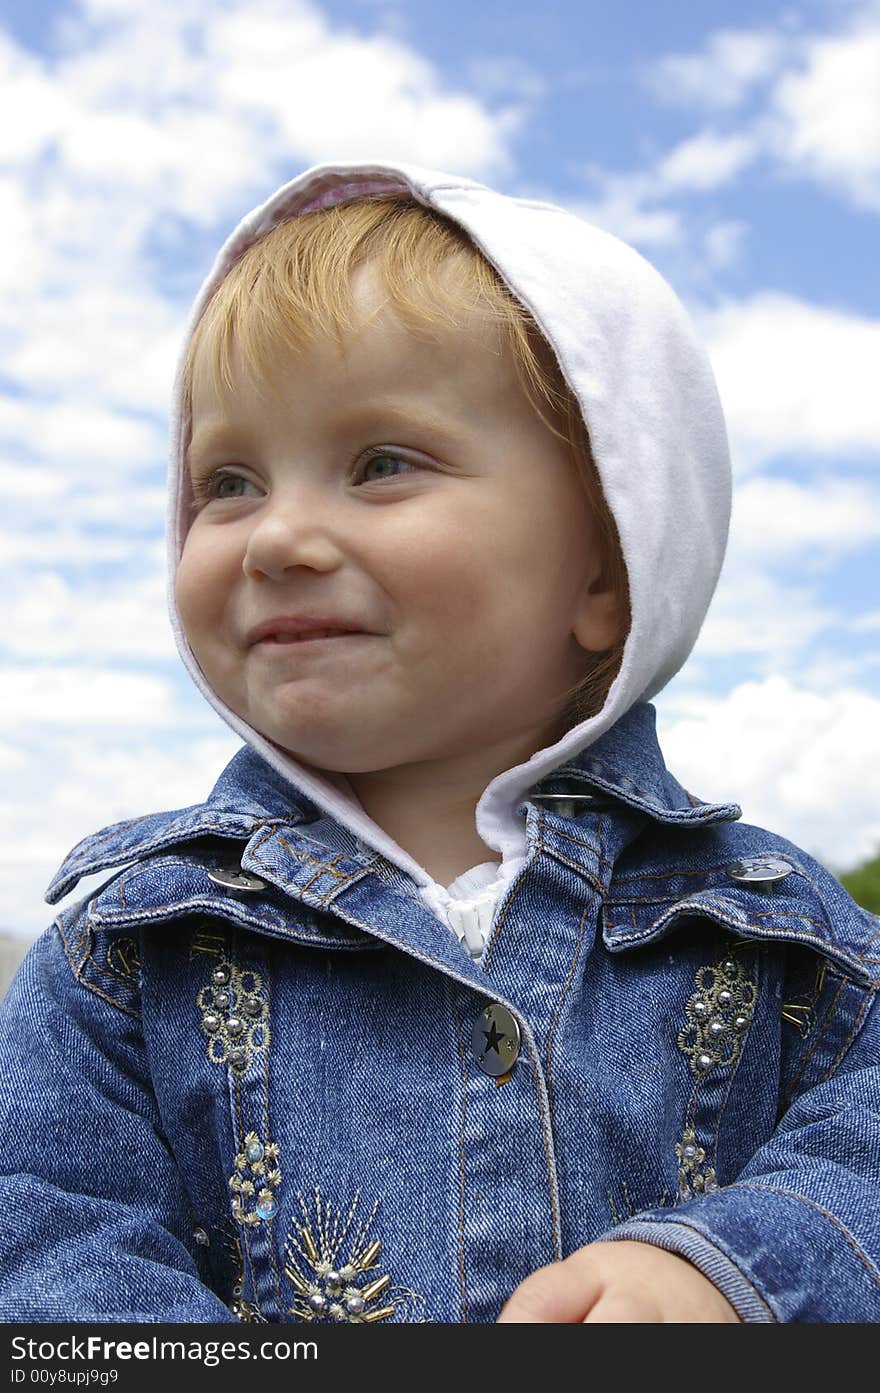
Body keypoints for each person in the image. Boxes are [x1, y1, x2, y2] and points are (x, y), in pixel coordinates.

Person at [1, 159, 878, 1325]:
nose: (280, 536)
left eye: (381, 464)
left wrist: (738, 1271)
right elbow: (46, 1239)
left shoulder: (784, 934)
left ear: (607, 568)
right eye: (228, 481)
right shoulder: (123, 956)